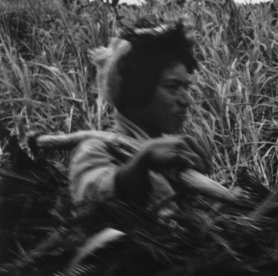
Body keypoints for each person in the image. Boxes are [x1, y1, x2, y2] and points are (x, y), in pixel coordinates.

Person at [69, 20, 213, 208]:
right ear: (137, 91)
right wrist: (144, 161)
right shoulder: (95, 149)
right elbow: (92, 192)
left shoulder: (174, 154)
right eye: (172, 87)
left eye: (186, 87)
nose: (186, 100)